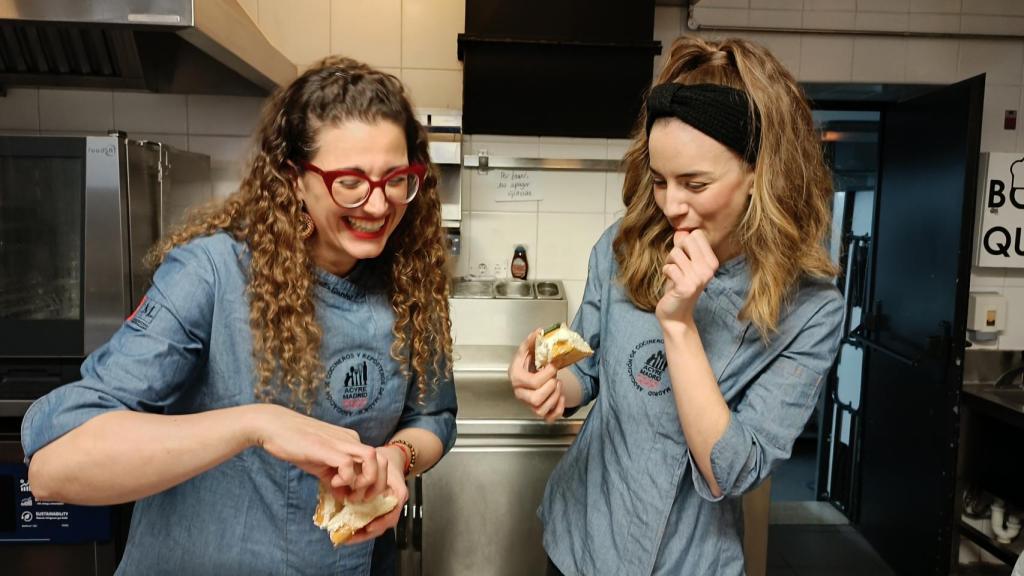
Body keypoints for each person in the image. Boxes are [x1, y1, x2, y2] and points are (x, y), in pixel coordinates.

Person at [21, 56, 456, 575]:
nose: (380, 205)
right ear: (296, 178)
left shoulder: (410, 278)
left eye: (396, 179)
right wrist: (255, 424)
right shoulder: (211, 273)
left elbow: (431, 417)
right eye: (350, 181)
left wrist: (397, 458)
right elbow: (55, 466)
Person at [509, 36, 844, 575]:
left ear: (761, 173)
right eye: (661, 181)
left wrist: (680, 327)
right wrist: (549, 384)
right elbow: (586, 370)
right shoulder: (626, 242)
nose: (671, 206)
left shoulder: (809, 310)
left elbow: (730, 473)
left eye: (696, 183)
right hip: (580, 540)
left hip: (687, 561)